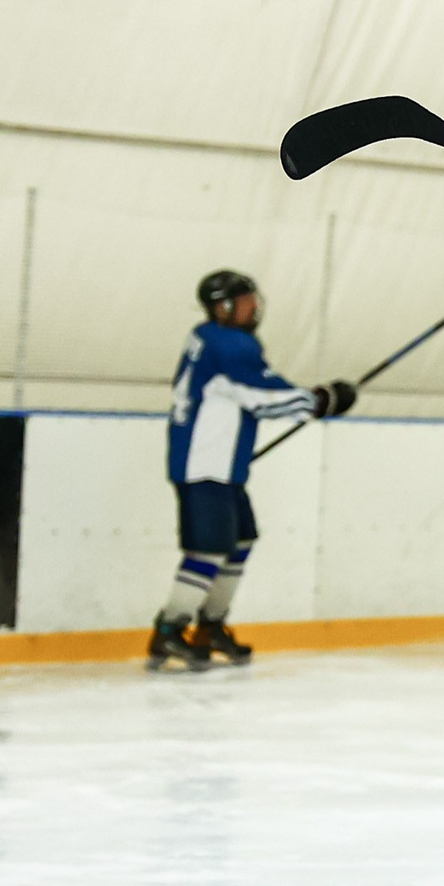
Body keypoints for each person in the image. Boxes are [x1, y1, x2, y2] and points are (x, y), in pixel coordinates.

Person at [150, 270, 355, 669]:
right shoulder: (228, 344)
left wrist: (314, 401)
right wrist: (318, 401)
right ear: (224, 307)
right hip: (204, 468)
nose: (255, 307)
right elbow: (263, 396)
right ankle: (169, 632)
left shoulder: (211, 337)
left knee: (240, 540)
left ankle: (210, 626)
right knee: (208, 549)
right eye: (245, 301)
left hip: (222, 468)